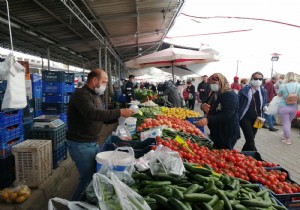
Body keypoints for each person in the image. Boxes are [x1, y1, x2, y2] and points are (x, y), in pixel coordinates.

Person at [66, 69, 134, 201]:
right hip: (81, 144)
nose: (106, 85)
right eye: (104, 82)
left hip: (91, 142)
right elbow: (92, 114)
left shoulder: (95, 95)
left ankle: (85, 201)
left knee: (93, 174)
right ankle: (75, 203)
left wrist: (121, 118)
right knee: (87, 177)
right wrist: (120, 112)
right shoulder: (81, 95)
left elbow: (101, 117)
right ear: (94, 80)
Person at [196, 73, 240, 150]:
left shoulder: (230, 95)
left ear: (222, 82)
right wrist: (202, 106)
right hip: (217, 130)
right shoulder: (214, 93)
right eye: (211, 83)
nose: (212, 85)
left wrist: (208, 120)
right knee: (218, 149)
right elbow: (205, 102)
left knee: (225, 151)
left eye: (215, 83)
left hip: (227, 131)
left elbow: (226, 114)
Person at [238, 72, 267, 151]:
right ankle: (256, 155)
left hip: (259, 118)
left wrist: (265, 106)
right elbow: (239, 103)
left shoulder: (263, 91)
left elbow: (264, 101)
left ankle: (244, 155)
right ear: (251, 79)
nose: (258, 80)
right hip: (245, 117)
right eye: (255, 78)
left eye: (260, 79)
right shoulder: (245, 90)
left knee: (251, 139)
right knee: (250, 139)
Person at [277, 72, 300, 145]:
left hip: (284, 107)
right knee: (288, 122)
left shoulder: (283, 86)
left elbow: (279, 94)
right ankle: (284, 135)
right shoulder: (298, 86)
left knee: (286, 123)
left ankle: (288, 139)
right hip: (294, 107)